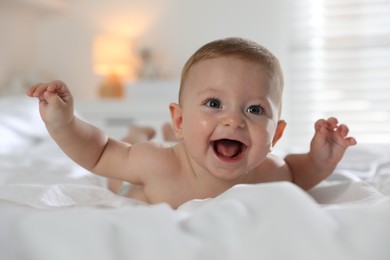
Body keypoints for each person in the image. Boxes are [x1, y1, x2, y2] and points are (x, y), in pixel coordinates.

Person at [26, 37, 356, 209]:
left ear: (276, 134)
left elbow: (298, 175)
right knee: (123, 164)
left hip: (184, 143)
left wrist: (320, 160)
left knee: (196, 142)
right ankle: (138, 132)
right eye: (214, 104)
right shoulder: (155, 162)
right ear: (181, 119)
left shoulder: (269, 171)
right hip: (139, 186)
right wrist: (65, 123)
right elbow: (99, 153)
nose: (233, 120)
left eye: (255, 110)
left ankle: (175, 136)